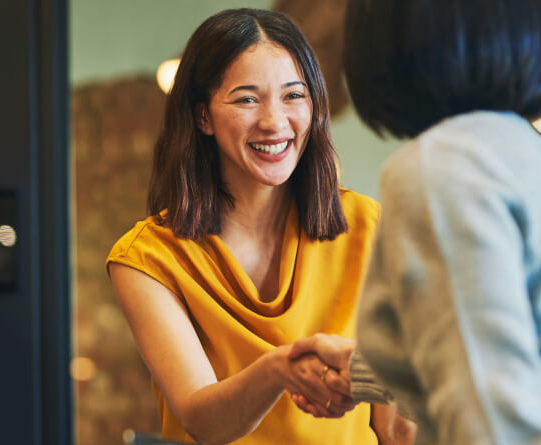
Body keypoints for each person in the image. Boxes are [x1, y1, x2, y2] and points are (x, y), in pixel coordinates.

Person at [287, 0, 541, 444]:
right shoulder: (534, 157)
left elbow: (489, 414)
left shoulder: (441, 166)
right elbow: (536, 357)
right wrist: (362, 371)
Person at [106, 8, 410, 445]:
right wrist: (281, 369)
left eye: (293, 95)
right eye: (247, 98)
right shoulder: (146, 259)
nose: (274, 121)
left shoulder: (370, 227)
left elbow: (396, 425)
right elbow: (203, 419)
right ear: (202, 117)